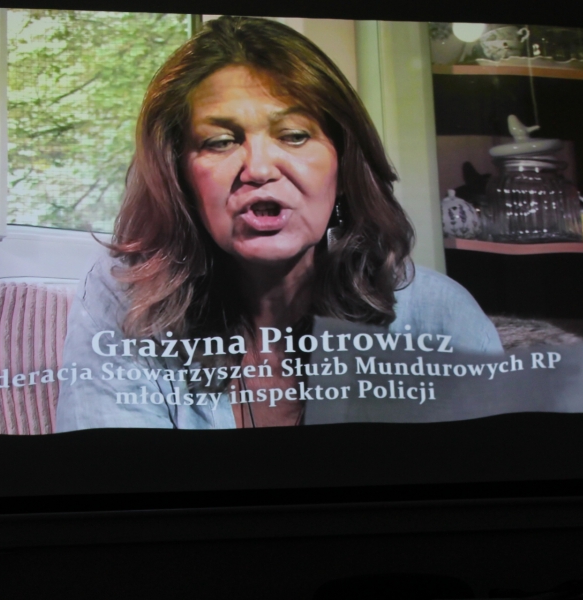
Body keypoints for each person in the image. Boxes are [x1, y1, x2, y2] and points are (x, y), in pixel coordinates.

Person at [55, 16, 502, 432]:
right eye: (220, 141)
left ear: (344, 167)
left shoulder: (439, 316)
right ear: (181, 178)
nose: (259, 168)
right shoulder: (124, 299)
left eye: (294, 135)